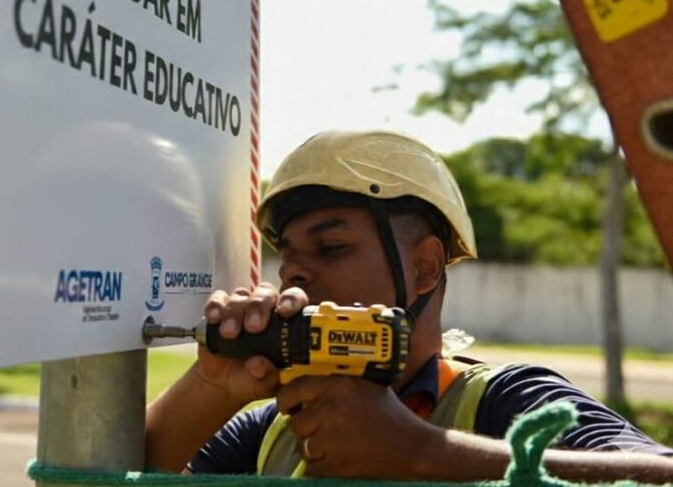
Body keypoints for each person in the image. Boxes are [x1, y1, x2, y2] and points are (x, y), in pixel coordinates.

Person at [145, 130, 673, 482]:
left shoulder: (502, 403)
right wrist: (211, 388)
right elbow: (97, 474)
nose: (294, 273)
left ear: (424, 266)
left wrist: (422, 451)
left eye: (331, 248)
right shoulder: (272, 431)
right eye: (289, 255)